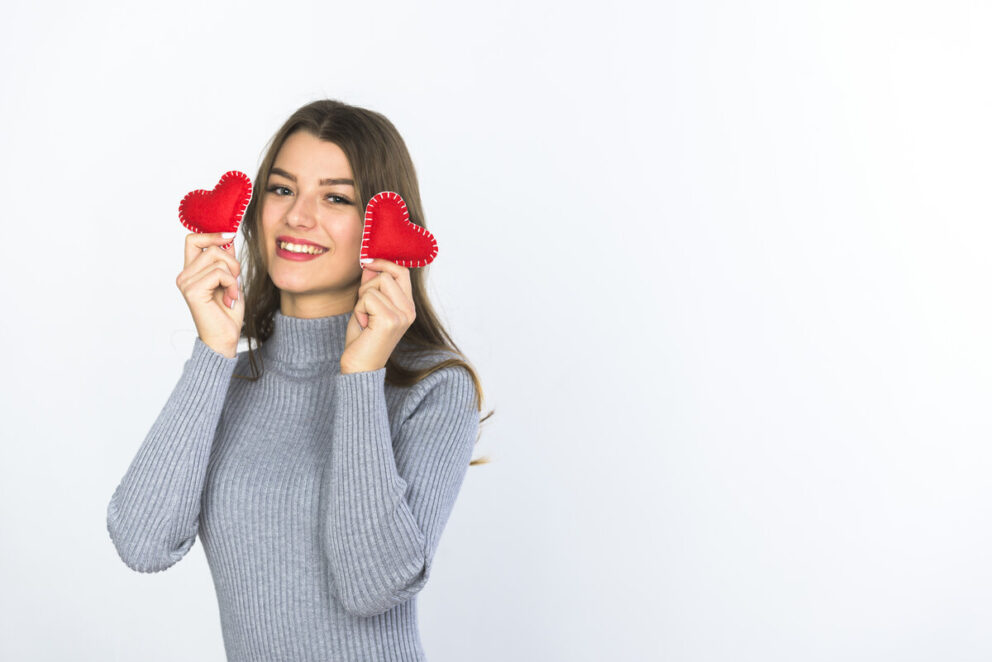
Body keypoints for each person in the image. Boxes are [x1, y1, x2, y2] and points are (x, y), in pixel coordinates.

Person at [106, 99, 492, 662]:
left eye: (336, 197)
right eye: (282, 190)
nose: (297, 217)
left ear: (381, 227)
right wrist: (214, 350)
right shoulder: (229, 381)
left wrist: (360, 377)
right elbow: (141, 543)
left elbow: (373, 588)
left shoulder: (432, 388)